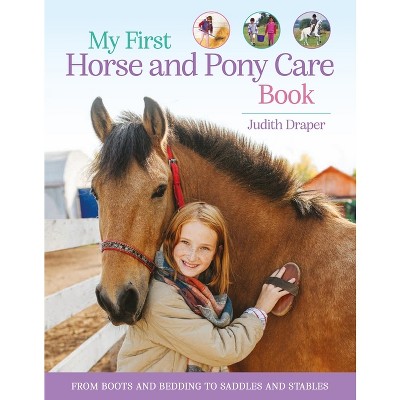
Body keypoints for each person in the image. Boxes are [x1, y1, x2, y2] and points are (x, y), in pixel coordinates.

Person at [117, 202, 299, 372]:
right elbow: (222, 349)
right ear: (171, 241)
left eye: (204, 248)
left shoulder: (198, 288)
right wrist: (260, 309)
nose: (192, 256)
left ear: (216, 252)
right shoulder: (162, 299)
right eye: (185, 242)